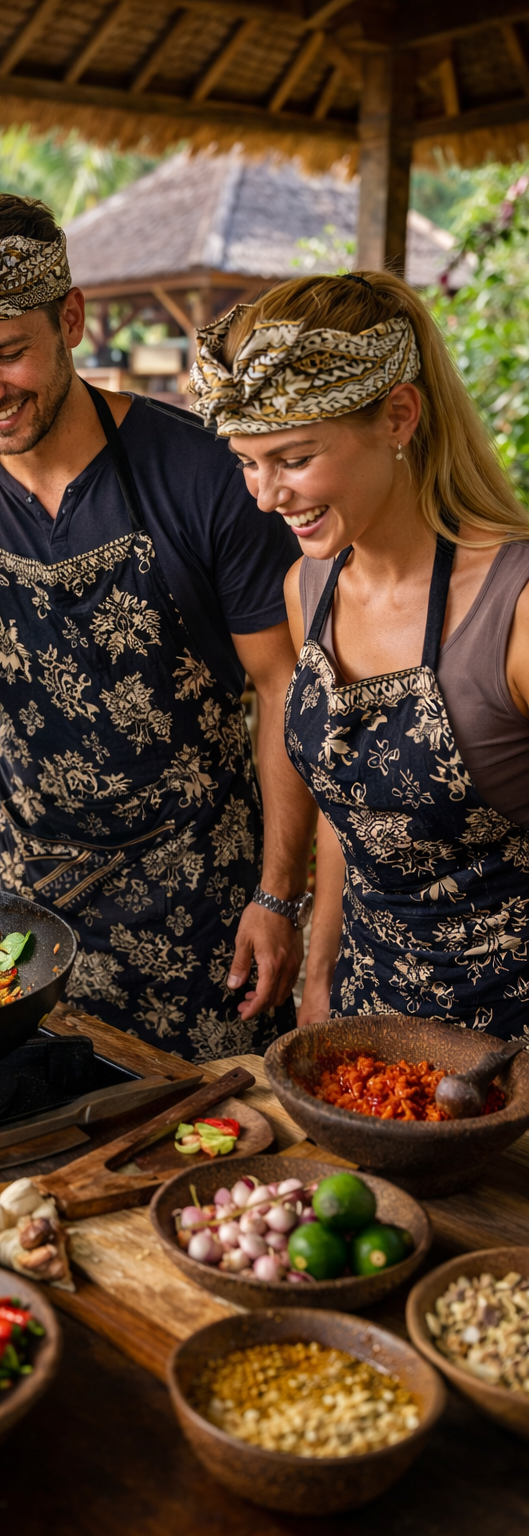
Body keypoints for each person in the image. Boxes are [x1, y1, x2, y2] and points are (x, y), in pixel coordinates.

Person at [0, 193, 316, 1062]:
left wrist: (280, 893)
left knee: (209, 1124)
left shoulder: (206, 472)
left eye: (7, 353)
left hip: (207, 900)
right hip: (20, 907)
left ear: (71, 319)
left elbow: (284, 685)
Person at [190, 269, 529, 1040]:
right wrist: (319, 984)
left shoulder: (515, 607)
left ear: (399, 416)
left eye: (293, 458)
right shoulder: (307, 587)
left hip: (506, 1052)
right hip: (364, 1030)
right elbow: (351, 813)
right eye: (246, 461)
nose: (265, 495)